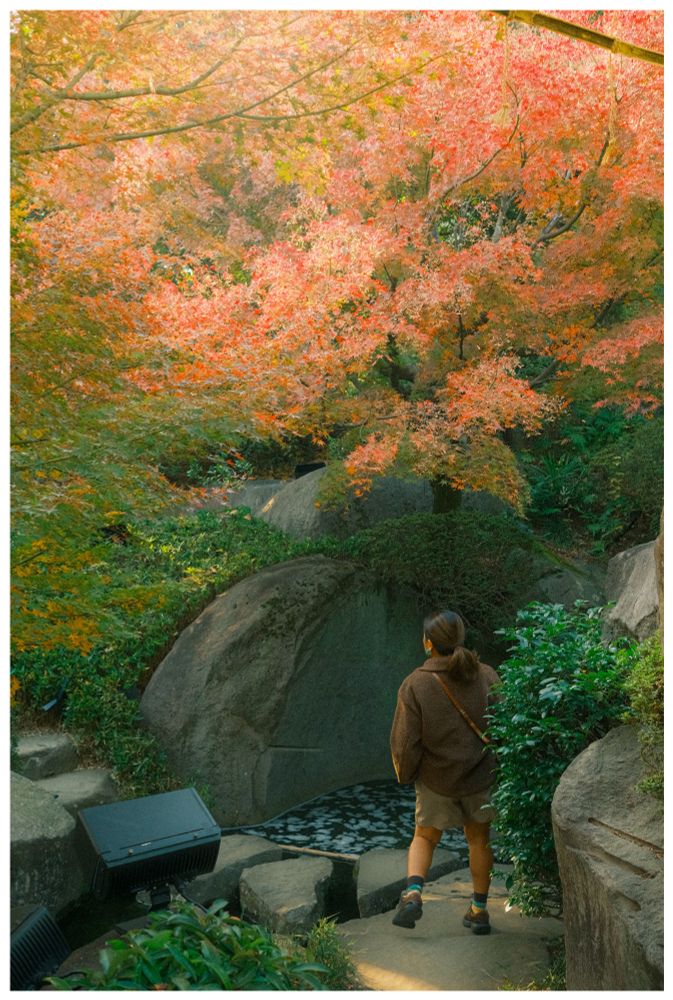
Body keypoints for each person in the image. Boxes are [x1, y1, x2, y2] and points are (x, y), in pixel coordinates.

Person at [390, 609, 500, 935]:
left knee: (424, 836)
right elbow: (504, 726)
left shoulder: (415, 684)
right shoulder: (487, 676)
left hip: (436, 780)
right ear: (460, 639)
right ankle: (479, 911)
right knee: (479, 842)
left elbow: (405, 742)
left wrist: (406, 774)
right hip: (480, 778)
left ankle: (412, 893)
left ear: (428, 643)